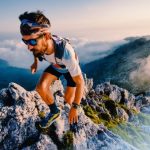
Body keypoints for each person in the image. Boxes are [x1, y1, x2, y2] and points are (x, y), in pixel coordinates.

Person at [19, 10, 84, 129]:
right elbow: (36, 51)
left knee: (69, 99)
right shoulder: (39, 46)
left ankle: (74, 120)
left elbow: (80, 82)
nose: (29, 47)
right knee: (41, 87)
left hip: (68, 69)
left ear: (47, 36)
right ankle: (55, 112)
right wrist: (35, 63)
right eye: (25, 41)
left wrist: (75, 107)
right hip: (56, 66)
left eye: (32, 41)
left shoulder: (66, 53)